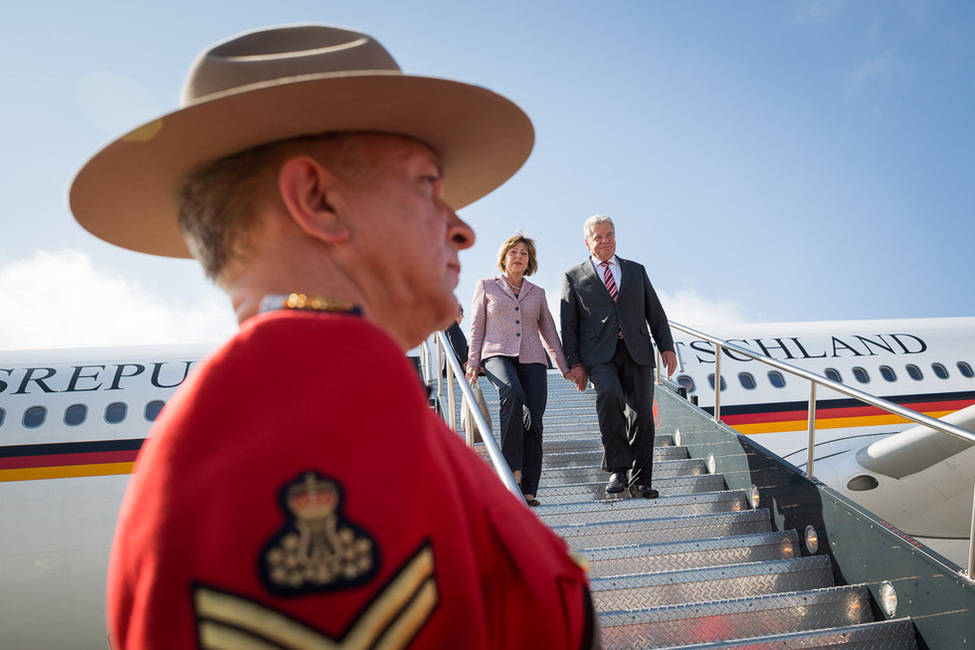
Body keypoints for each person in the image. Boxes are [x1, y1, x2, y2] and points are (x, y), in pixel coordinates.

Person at [69, 24, 598, 649]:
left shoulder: (312, 412)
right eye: (429, 184)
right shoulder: (312, 432)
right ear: (317, 200)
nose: (463, 231)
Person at [560, 215, 678, 499]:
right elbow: (569, 325)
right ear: (587, 242)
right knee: (610, 397)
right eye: (598, 236)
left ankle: (641, 480)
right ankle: (619, 468)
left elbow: (655, 312)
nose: (605, 240)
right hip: (599, 355)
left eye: (609, 234)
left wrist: (667, 346)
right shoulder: (573, 276)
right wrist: (575, 363)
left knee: (642, 417)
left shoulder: (635, 270)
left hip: (637, 351)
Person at [466, 233, 572, 507]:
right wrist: (473, 361)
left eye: (523, 253)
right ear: (504, 258)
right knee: (512, 394)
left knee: (534, 418)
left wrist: (564, 367)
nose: (518, 256)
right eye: (513, 252)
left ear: (529, 262)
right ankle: (511, 472)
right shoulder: (487, 286)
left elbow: (549, 331)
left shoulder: (537, 293)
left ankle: (529, 486)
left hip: (533, 358)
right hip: (497, 354)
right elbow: (477, 326)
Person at [442, 305, 469, 376]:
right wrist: (464, 361)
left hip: (449, 367)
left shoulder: (445, 327)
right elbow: (456, 343)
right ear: (460, 315)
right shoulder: (452, 325)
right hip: (455, 368)